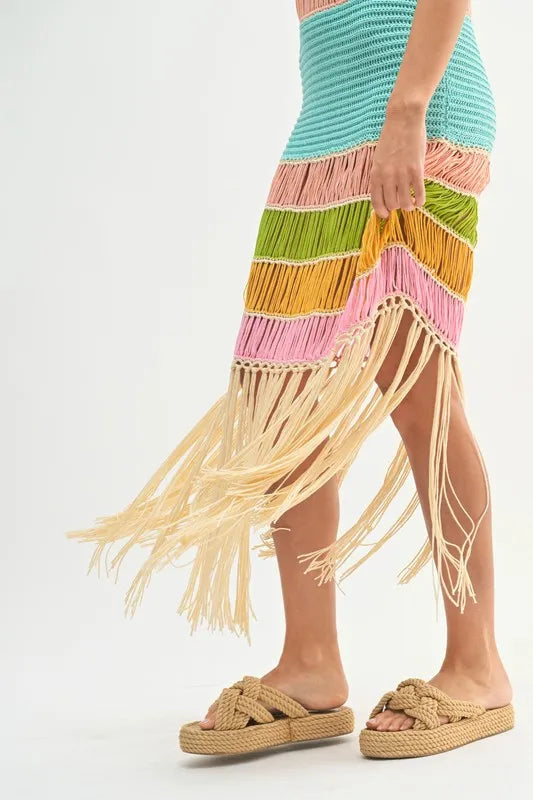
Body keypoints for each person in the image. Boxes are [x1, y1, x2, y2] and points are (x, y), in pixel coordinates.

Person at [70, 0, 513, 759]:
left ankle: (477, 667)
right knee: (285, 402)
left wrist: (408, 106)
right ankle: (311, 664)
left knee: (419, 390)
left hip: (413, 101)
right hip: (331, 113)